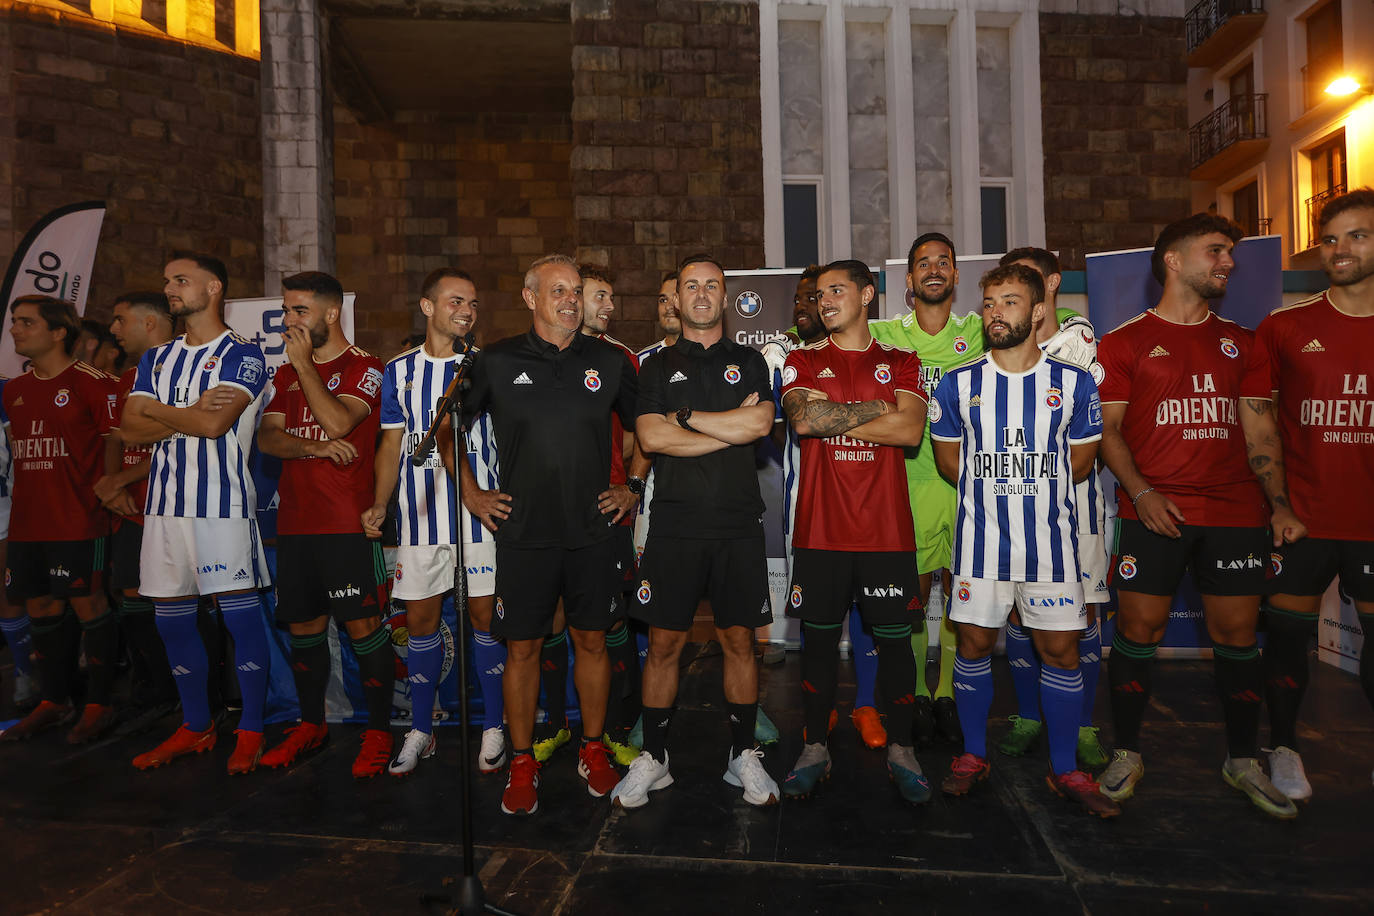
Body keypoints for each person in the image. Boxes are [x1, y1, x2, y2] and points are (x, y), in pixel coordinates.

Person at [1097, 214, 1303, 819]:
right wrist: (1141, 493)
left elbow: (1261, 427)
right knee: (1137, 634)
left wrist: (1279, 502)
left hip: (1236, 514)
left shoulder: (1245, 342)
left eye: (1232, 254)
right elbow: (1109, 432)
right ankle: (1128, 751)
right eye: (1215, 251)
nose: (1228, 263)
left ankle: (1243, 759)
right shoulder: (1124, 342)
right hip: (1153, 514)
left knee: (1238, 638)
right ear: (1174, 260)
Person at [929, 265, 1118, 817]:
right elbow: (948, 461)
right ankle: (972, 754)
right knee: (973, 646)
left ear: (1037, 311)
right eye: (988, 303)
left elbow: (1081, 463)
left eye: (1009, 302)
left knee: (1059, 652)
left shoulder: (1076, 383)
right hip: (979, 547)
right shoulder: (958, 382)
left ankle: (1066, 770)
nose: (995, 312)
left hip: (1052, 549)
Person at [464, 253, 637, 816]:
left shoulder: (609, 362)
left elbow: (645, 430)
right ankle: (521, 759)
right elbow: (446, 429)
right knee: (523, 646)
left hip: (594, 532)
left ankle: (591, 747)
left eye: (576, 290)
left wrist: (633, 484)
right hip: (525, 532)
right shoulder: (495, 360)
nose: (569, 299)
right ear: (530, 297)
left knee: (591, 640)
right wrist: (471, 492)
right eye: (558, 290)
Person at [612, 253, 778, 809]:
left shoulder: (750, 360)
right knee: (663, 644)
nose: (702, 294)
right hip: (676, 524)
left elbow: (759, 425)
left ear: (724, 297)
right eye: (691, 286)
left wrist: (684, 419)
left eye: (712, 285)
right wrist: (723, 426)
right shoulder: (655, 367)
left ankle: (741, 756)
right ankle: (655, 759)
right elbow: (651, 441)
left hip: (737, 524)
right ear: (676, 300)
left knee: (739, 642)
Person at [778, 260, 929, 803]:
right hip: (820, 530)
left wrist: (837, 412)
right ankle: (814, 747)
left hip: (886, 532)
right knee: (816, 648)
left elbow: (910, 430)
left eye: (836, 291)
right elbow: (802, 422)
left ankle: (903, 751)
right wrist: (877, 413)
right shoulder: (800, 358)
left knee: (896, 649)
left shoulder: (901, 359)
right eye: (819, 294)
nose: (823, 301)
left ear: (868, 294)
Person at [121, 252, 275, 775]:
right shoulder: (157, 358)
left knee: (240, 620)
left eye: (180, 280)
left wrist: (159, 414)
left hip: (222, 507)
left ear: (213, 288)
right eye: (166, 280)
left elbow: (214, 427)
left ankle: (251, 727)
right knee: (171, 620)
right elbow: (129, 428)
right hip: (164, 509)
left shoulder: (245, 354)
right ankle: (196, 725)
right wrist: (185, 415)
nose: (170, 288)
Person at [361, 268, 507, 777]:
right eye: (455, 301)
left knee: (487, 621)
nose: (466, 310)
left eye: (472, 302)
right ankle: (421, 729)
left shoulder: (487, 366)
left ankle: (494, 725)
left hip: (479, 518)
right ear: (427, 307)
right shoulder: (398, 370)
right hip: (420, 520)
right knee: (421, 624)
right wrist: (380, 502)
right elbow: (390, 443)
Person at [1255, 187, 1374, 799]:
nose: (1341, 249)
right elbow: (1258, 414)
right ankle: (1283, 749)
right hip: (1303, 520)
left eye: (1358, 235)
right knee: (1285, 639)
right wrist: (1278, 502)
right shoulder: (1287, 326)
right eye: (1331, 238)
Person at [257, 271, 395, 778]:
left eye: (299, 311)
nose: (289, 322)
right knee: (304, 629)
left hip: (346, 523)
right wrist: (312, 447)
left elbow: (340, 422)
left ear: (331, 314)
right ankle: (311, 724)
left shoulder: (365, 367)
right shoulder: (285, 374)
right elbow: (268, 440)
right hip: (295, 522)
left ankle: (380, 731)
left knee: (362, 627)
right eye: (286, 311)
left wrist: (303, 367)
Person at [994, 248, 1110, 769]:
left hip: (1074, 511)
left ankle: (1084, 723)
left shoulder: (1077, 337)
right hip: (1016, 507)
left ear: (1052, 286)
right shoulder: (996, 350)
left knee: (1082, 615)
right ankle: (1028, 715)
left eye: (1029, 284)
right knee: (1020, 612)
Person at [762, 265, 886, 747]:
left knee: (869, 615)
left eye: (815, 297)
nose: (805, 306)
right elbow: (789, 424)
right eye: (800, 299)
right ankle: (823, 713)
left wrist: (826, 416)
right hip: (810, 508)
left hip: (870, 506)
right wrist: (874, 415)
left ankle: (867, 706)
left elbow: (902, 424)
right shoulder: (787, 359)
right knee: (821, 620)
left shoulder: (877, 355)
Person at [871, 233, 983, 747]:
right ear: (908, 280)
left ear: (957, 276)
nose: (934, 269)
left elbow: (1043, 327)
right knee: (914, 596)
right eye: (923, 263)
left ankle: (951, 698)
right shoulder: (886, 333)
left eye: (944, 262)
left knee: (961, 596)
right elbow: (820, 328)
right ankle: (917, 692)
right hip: (908, 485)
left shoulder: (980, 330)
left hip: (966, 487)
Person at [0, 296, 119, 743]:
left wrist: (110, 489)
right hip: (29, 521)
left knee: (89, 603)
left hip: (79, 518)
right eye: (14, 322)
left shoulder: (92, 383)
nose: (15, 329)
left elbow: (116, 441)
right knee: (40, 605)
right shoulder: (13, 390)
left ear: (58, 332)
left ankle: (100, 703)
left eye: (26, 322)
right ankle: (55, 700)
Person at [99, 291, 179, 732]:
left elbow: (183, 441)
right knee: (129, 593)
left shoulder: (184, 367)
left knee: (174, 599)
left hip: (170, 505)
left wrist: (123, 481)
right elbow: (116, 436)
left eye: (119, 319)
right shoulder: (125, 377)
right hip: (130, 509)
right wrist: (114, 484)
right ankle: (153, 686)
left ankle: (187, 694)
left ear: (150, 323)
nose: (113, 329)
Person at [0, 370, 36, 713]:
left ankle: (27, 671)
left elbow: (22, 449)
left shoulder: (7, 391)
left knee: (9, 592)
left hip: (5, 507)